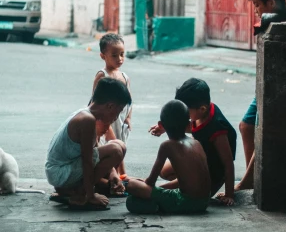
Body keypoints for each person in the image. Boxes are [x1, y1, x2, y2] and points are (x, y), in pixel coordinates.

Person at [46, 77, 131, 208]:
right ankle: (81, 193)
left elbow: (95, 151)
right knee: (116, 151)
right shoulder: (87, 120)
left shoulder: (87, 115)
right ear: (110, 106)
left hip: (64, 169)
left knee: (120, 145)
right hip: (60, 173)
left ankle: (75, 190)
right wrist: (91, 195)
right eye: (118, 112)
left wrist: (113, 173)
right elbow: (88, 160)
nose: (116, 118)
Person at [149, 78, 237, 206]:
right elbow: (195, 128)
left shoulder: (218, 129)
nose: (183, 116)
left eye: (186, 112)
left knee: (167, 187)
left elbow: (228, 164)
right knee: (164, 171)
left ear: (202, 109)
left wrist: (229, 194)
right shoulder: (203, 112)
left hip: (211, 175)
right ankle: (175, 184)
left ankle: (169, 187)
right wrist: (166, 127)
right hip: (199, 162)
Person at [235, 0, 286, 192]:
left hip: (276, 91)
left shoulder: (283, 24)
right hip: (262, 89)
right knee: (246, 125)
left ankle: (249, 180)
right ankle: (252, 175)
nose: (255, 10)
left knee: (260, 129)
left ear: (271, 4)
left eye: (257, 5)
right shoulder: (268, 23)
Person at [126, 100, 211, 214]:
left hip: (185, 202)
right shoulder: (197, 143)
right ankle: (158, 205)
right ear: (189, 125)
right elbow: (188, 181)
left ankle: (157, 207)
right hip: (204, 202)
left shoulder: (167, 145)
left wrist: (139, 182)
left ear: (161, 125)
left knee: (131, 189)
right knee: (138, 195)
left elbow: (151, 182)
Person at [92, 33, 132, 187]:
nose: (119, 59)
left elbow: (129, 101)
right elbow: (95, 100)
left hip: (120, 120)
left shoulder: (124, 76)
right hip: (106, 119)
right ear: (103, 56)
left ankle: (119, 175)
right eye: (114, 55)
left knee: (121, 144)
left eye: (122, 54)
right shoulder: (102, 75)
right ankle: (114, 175)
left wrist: (128, 117)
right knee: (108, 145)